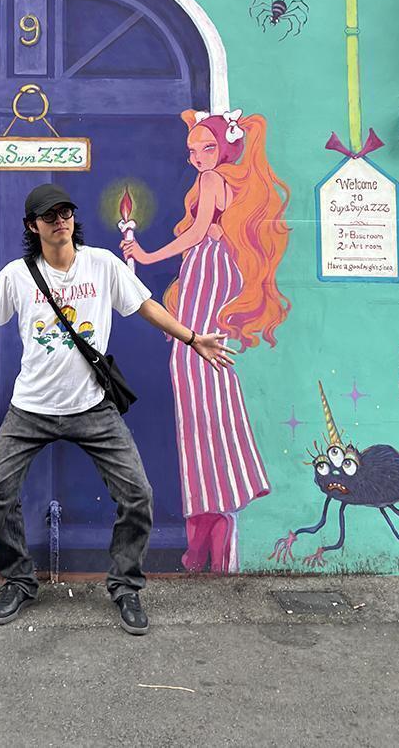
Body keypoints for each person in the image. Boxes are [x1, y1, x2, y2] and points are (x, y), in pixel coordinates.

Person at [0, 183, 234, 634]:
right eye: (49, 216)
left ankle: (125, 586)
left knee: (138, 495)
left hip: (93, 408)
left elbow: (146, 306)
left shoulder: (103, 264)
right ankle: (19, 580)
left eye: (66, 213)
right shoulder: (17, 275)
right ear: (32, 226)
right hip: (30, 410)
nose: (60, 221)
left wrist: (192, 338)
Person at [122, 109, 290, 573]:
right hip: (209, 268)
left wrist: (147, 255)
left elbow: (198, 232)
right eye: (193, 150)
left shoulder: (214, 180)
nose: (198, 157)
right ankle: (209, 514)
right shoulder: (217, 182)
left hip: (209, 267)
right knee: (198, 370)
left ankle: (212, 509)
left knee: (195, 364)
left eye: (207, 148)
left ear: (225, 147)